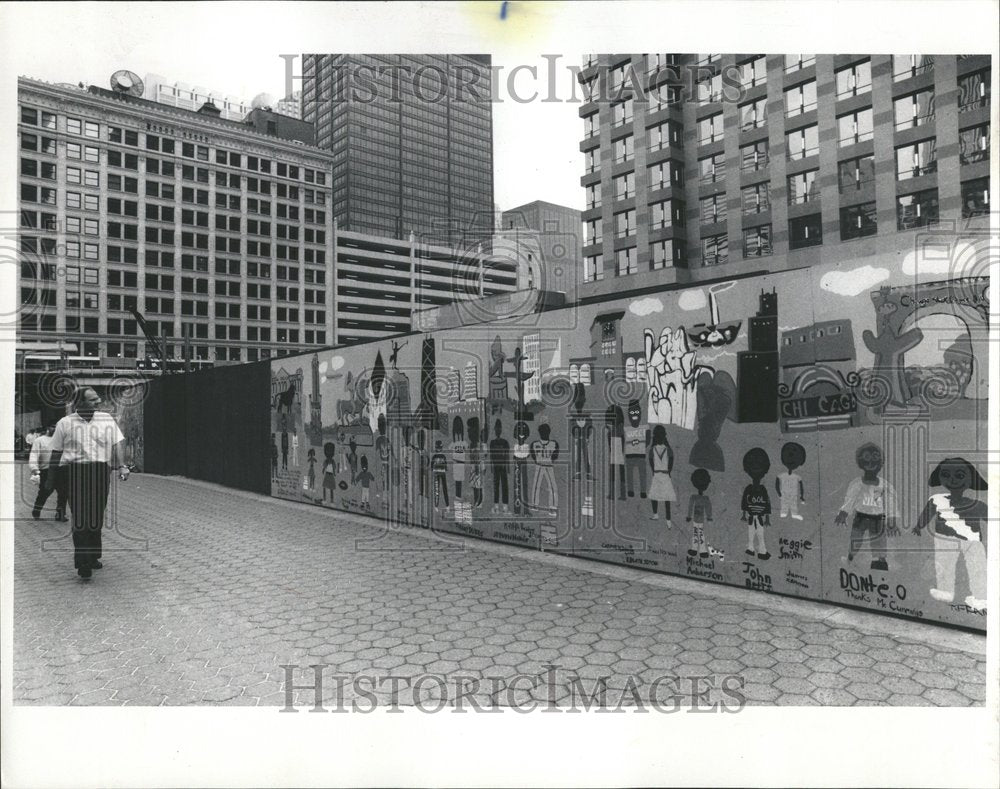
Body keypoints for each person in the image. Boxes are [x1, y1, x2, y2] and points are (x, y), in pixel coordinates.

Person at [47, 387, 130, 579]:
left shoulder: (105, 420)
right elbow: (56, 452)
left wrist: (122, 465)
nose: (98, 402)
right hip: (74, 472)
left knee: (96, 515)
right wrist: (50, 480)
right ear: (79, 403)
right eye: (93, 399)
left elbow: (117, 442)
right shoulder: (65, 423)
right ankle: (83, 563)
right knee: (80, 517)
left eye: (97, 398)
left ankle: (93, 556)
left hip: (100, 471)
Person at [911, 457, 988, 612]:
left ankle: (980, 597)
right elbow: (927, 514)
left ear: (970, 480)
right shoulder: (936, 500)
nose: (952, 480)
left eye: (959, 476)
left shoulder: (977, 505)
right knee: (944, 564)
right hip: (944, 538)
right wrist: (919, 526)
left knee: (977, 566)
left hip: (972, 540)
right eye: (946, 475)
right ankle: (946, 591)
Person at [835, 442, 898, 571]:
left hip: (877, 518)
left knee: (879, 542)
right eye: (867, 458)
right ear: (861, 462)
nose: (871, 462)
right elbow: (850, 500)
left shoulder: (885, 485)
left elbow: (891, 503)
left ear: (881, 462)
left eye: (875, 458)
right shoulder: (857, 484)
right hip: (861, 517)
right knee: (856, 540)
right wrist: (843, 513)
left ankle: (880, 563)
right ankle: (850, 559)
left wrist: (891, 521)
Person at [29, 423, 67, 521]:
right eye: (52, 426)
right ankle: (36, 510)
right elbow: (34, 455)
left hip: (60, 470)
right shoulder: (39, 440)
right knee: (44, 492)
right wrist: (34, 468)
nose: (54, 429)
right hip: (45, 471)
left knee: (63, 493)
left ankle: (60, 514)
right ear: (47, 428)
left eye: (56, 427)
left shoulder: (61, 440)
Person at [647, 425, 676, 525]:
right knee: (657, 495)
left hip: (660, 473)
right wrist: (668, 471)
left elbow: (651, 462)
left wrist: (656, 471)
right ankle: (663, 517)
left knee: (663, 496)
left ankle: (664, 517)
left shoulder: (659, 449)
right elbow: (671, 461)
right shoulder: (664, 449)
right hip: (662, 474)